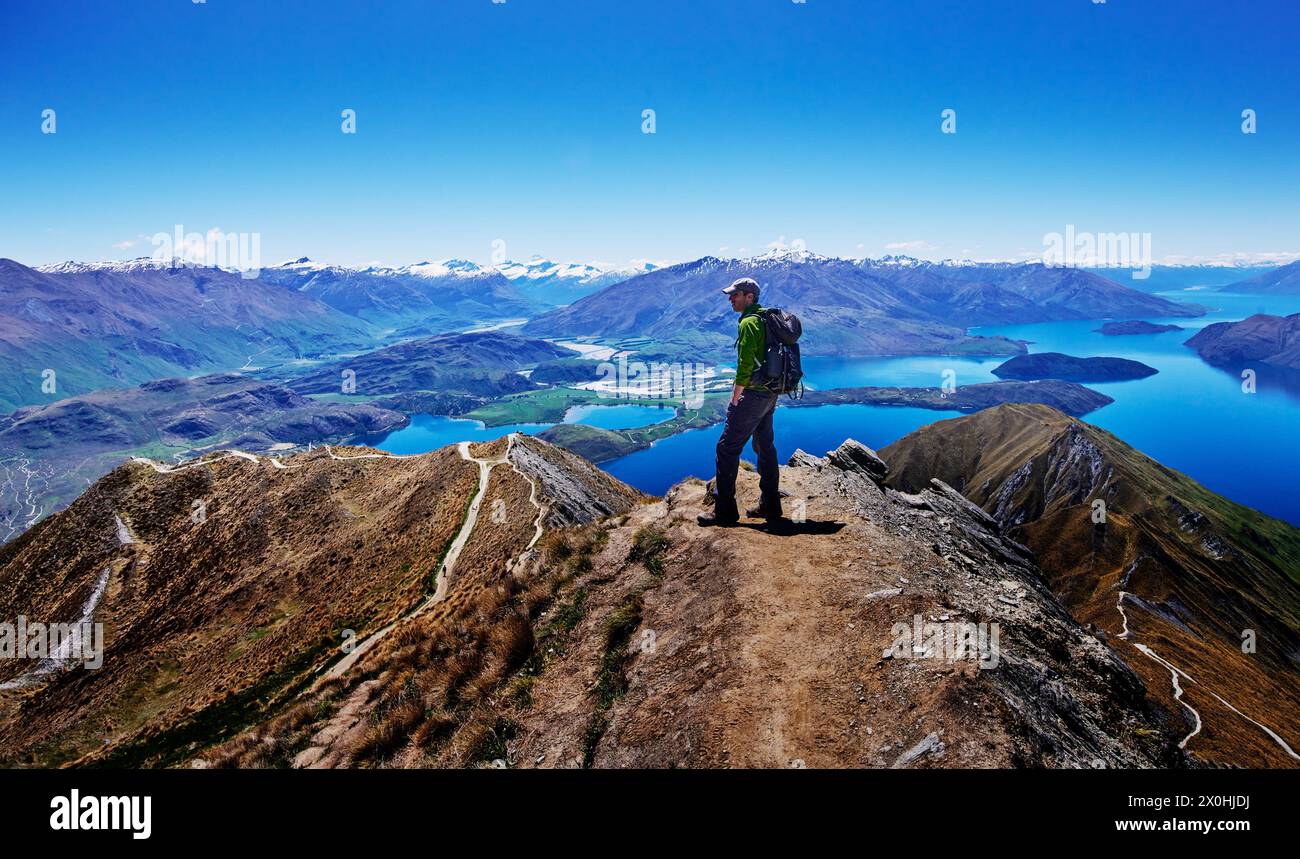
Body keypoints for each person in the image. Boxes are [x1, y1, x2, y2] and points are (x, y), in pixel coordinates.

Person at [698, 277, 782, 526]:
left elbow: (745, 363)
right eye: (732, 294)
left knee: (727, 449)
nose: (731, 298)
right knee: (765, 447)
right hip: (770, 393)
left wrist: (736, 396)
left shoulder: (749, 322)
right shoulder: (767, 318)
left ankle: (724, 510)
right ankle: (770, 505)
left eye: (736, 294)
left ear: (750, 297)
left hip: (753, 394)